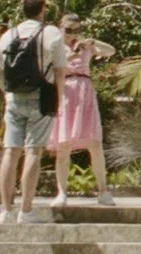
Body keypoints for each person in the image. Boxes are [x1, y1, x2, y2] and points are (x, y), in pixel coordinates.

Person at [0, 0, 65, 225]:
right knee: (33, 151)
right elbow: (60, 71)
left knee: (11, 151)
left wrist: (7, 91)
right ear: (42, 9)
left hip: (14, 99)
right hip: (42, 98)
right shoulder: (51, 33)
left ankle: (5, 211)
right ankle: (26, 211)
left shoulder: (10, 34)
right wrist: (59, 99)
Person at [47, 14, 118, 210]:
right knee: (63, 145)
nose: (72, 35)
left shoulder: (85, 46)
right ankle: (61, 192)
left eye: (76, 30)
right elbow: (49, 68)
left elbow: (110, 51)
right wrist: (70, 55)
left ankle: (103, 190)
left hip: (84, 90)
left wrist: (91, 42)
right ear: (60, 29)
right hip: (65, 91)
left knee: (95, 143)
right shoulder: (55, 46)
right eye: (68, 30)